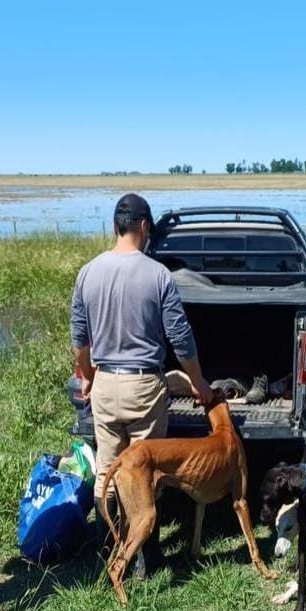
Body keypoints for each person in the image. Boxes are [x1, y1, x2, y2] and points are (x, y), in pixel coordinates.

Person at [70, 192, 214, 566]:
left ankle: (107, 551)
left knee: (108, 470)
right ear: (145, 227)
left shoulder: (88, 272)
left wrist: (87, 378)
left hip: (104, 385)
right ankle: (145, 560)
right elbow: (181, 340)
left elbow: (79, 340)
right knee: (146, 474)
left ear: (115, 226)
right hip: (144, 387)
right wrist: (198, 384)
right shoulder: (158, 275)